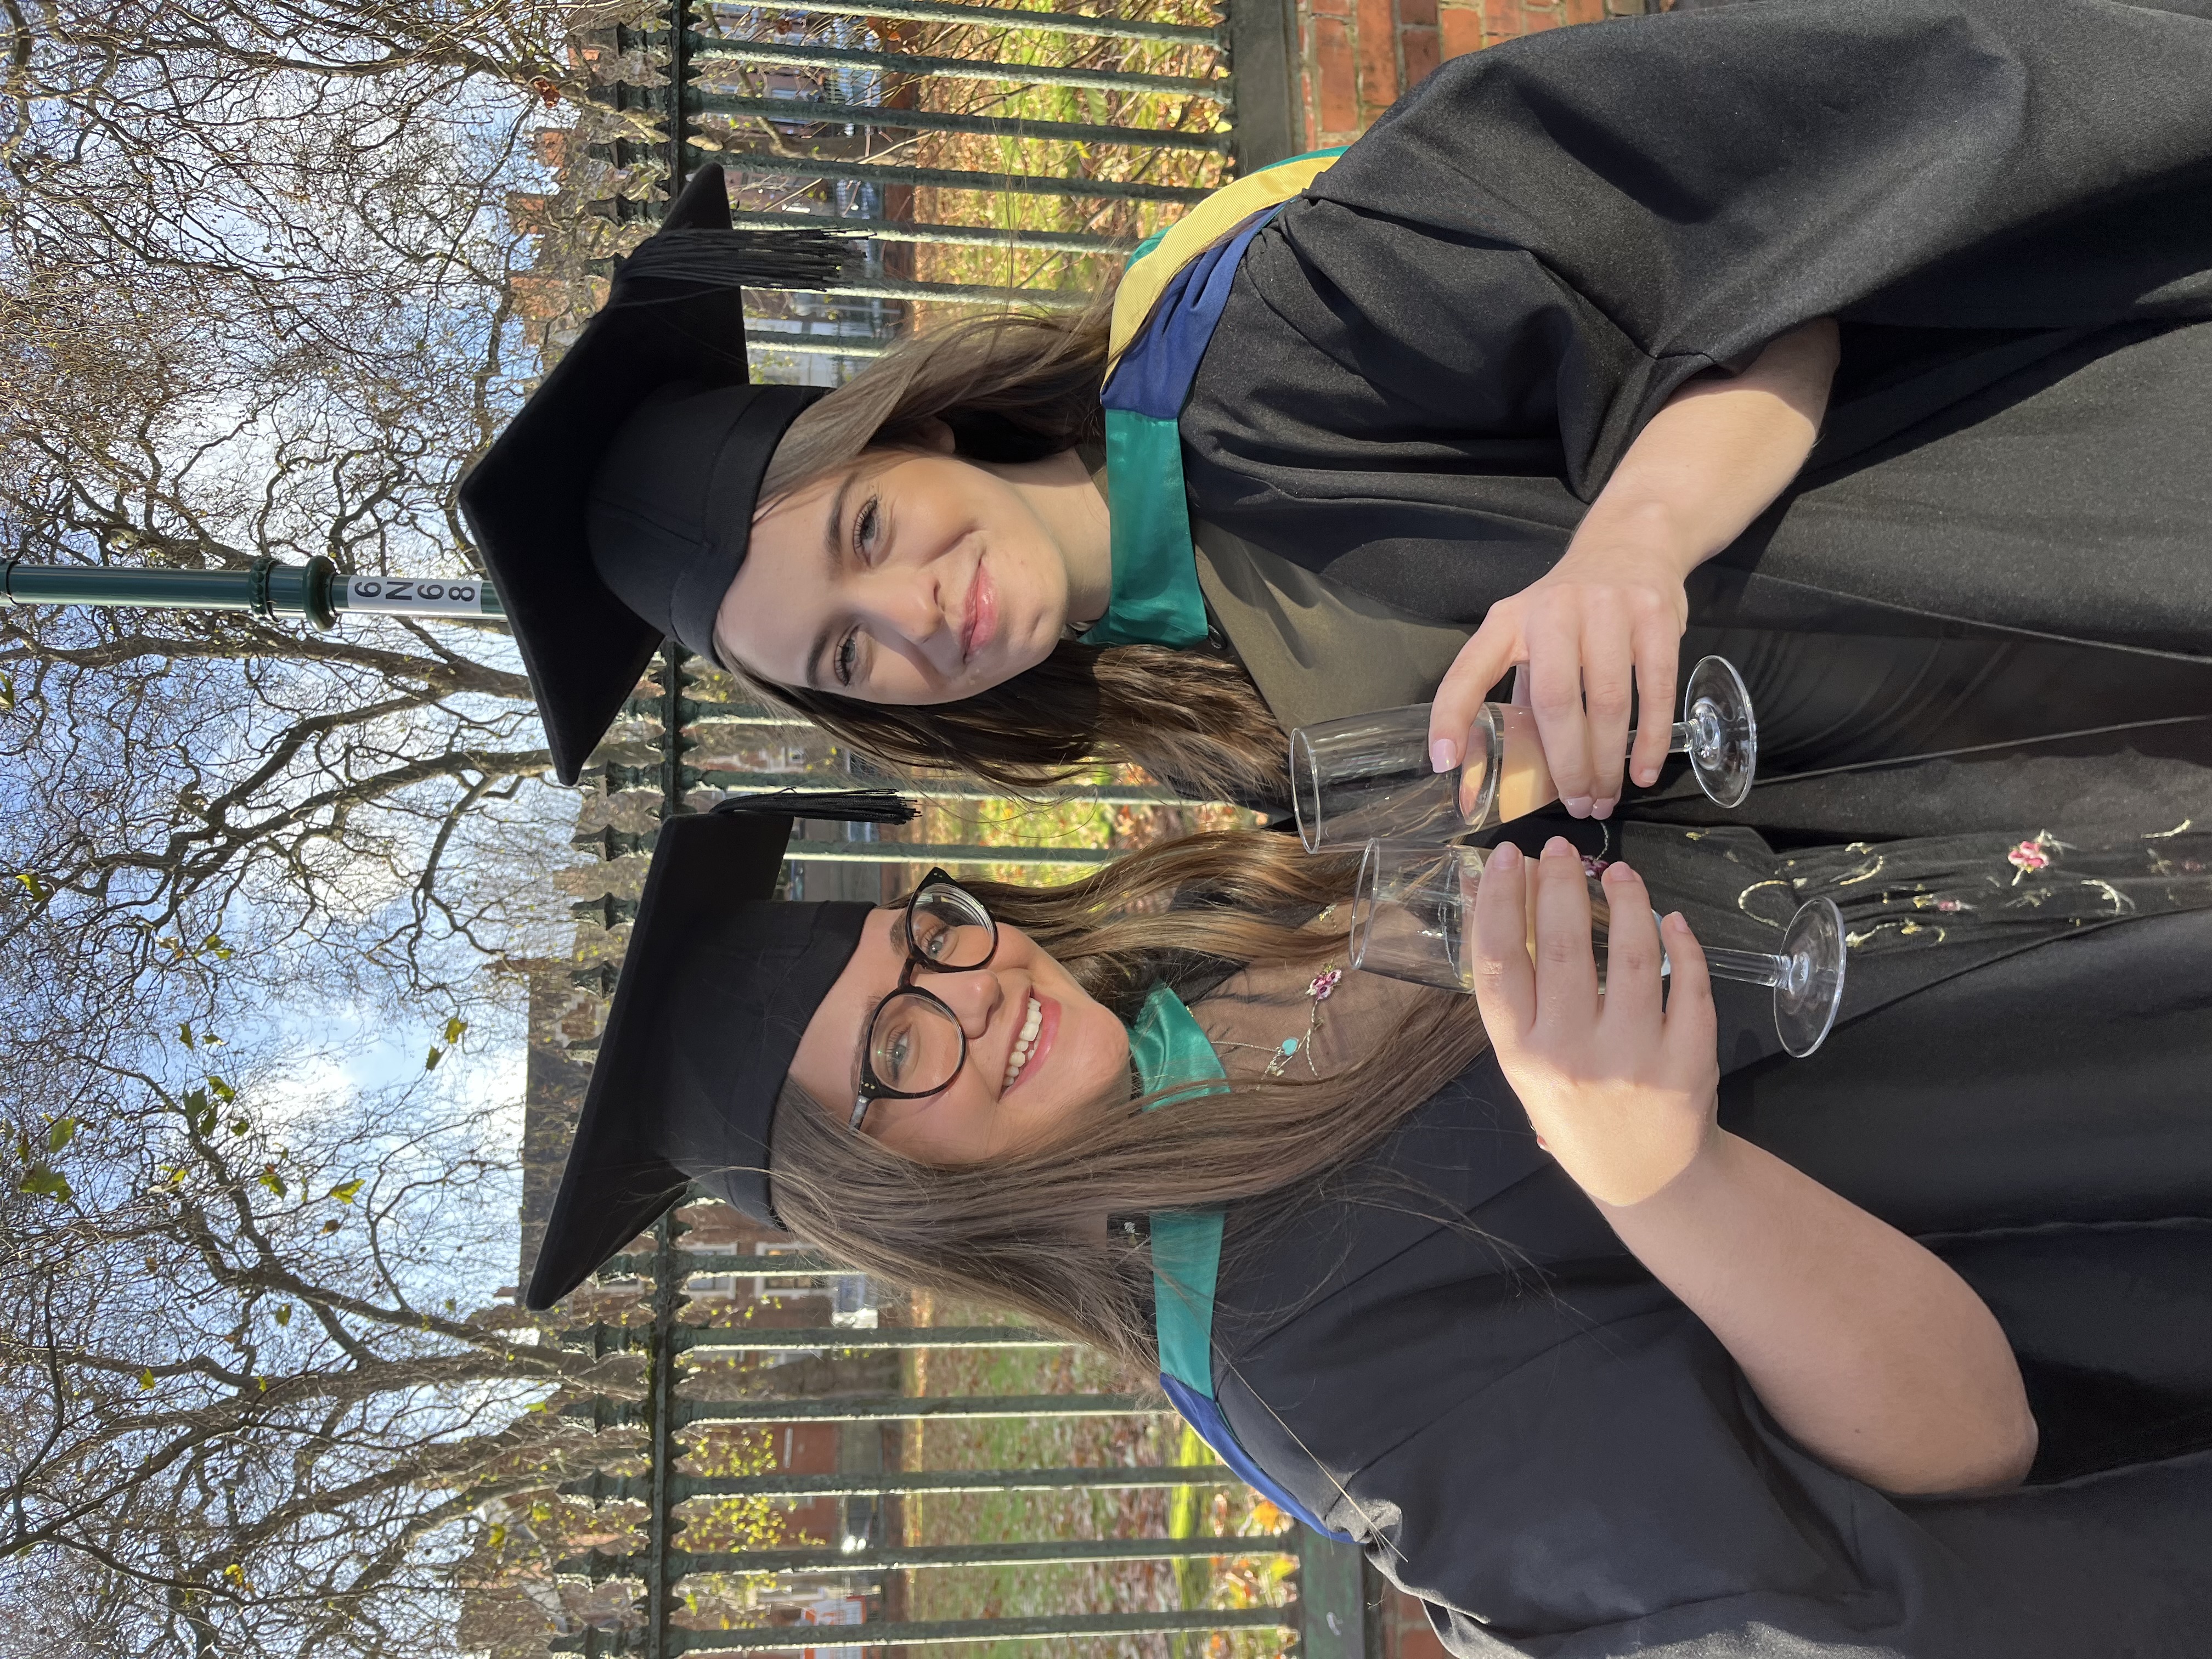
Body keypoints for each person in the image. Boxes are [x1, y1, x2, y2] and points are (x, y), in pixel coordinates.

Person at [466, 0, 2212, 839]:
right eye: (848, 659)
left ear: (914, 431)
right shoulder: (1206, 742)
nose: (914, 613)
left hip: (2071, 498)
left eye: (863, 533)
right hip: (2042, 783)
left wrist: (1633, 543)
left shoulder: (1277, 333)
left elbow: (1766, 260)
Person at [527, 798, 2212, 1656]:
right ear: (900, 1192)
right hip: (2127, 1218)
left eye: (928, 943)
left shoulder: (1210, 934)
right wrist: (1662, 1182)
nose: (975, 996)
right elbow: (1953, 1467)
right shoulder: (1297, 1358)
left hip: (2098, 953)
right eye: (898, 1054)